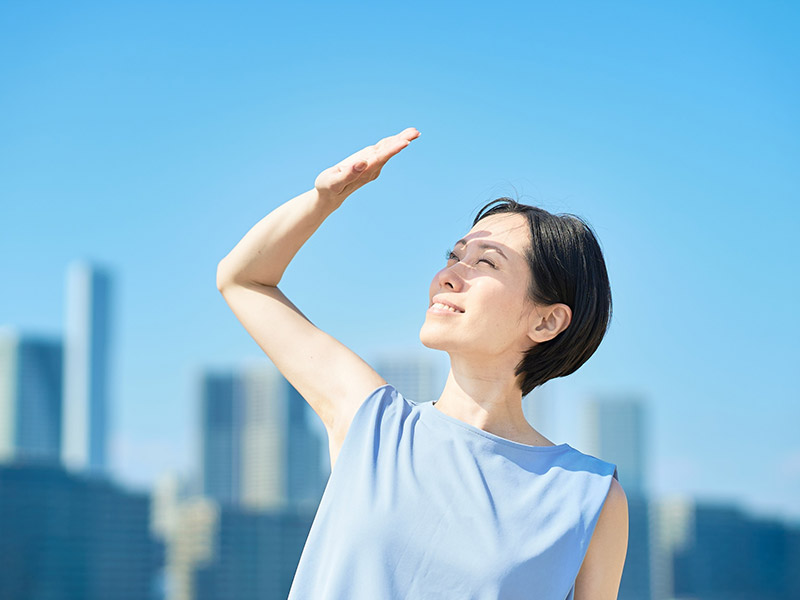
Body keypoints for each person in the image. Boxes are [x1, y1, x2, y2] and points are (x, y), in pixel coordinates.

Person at [216, 127, 629, 599]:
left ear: (547, 321)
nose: (449, 276)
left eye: (486, 264)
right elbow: (242, 280)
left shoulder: (587, 496)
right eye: (453, 256)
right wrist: (324, 200)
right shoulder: (372, 423)